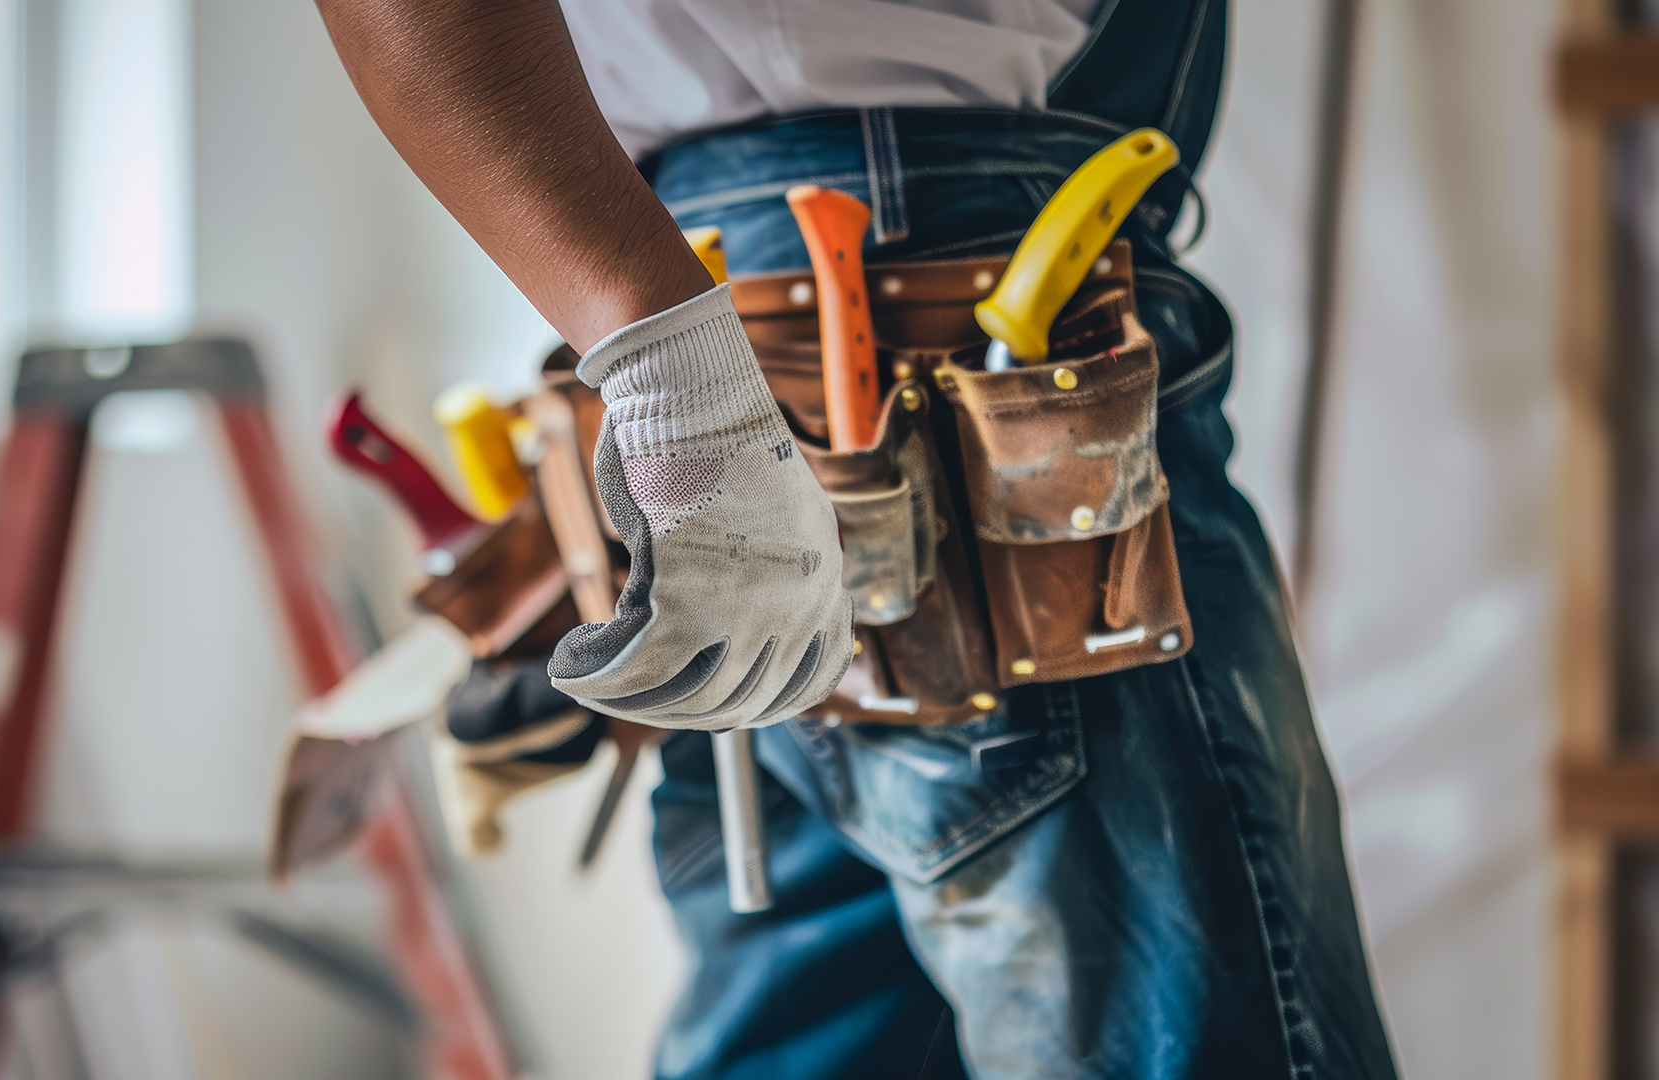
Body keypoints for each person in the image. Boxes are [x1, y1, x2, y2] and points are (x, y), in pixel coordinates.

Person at [313, 0, 1403, 1076]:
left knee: (807, 1037)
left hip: (744, 289)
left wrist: (669, 365)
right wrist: (668, 372)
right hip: (923, 251)